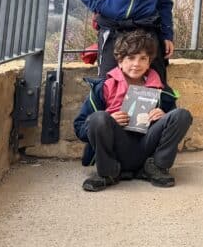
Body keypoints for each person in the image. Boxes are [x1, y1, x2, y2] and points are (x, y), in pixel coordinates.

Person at [73, 30, 192, 191]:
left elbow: (173, 123)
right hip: (116, 148)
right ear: (120, 61)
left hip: (147, 146)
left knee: (182, 115)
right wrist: (109, 119)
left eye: (143, 58)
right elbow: (80, 127)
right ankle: (107, 173)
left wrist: (163, 116)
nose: (137, 64)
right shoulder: (103, 88)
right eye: (131, 58)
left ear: (149, 62)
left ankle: (157, 167)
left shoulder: (162, 90)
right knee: (98, 117)